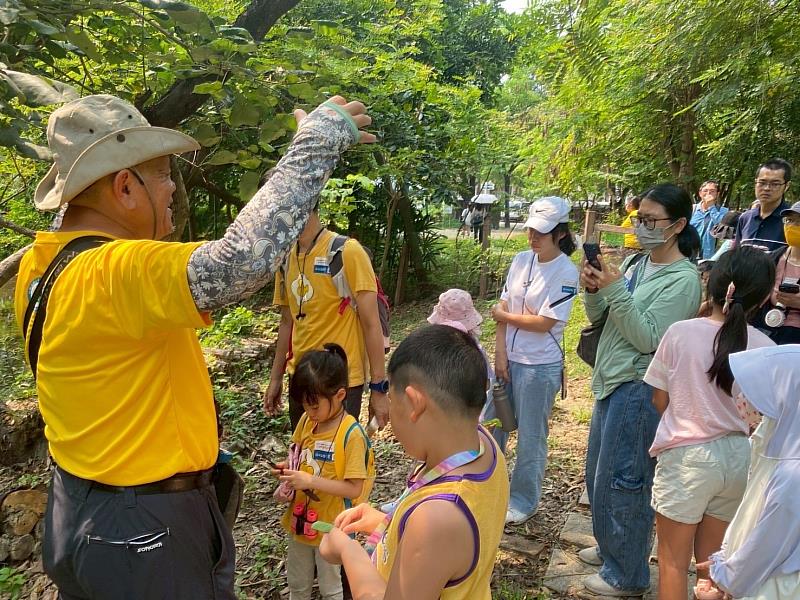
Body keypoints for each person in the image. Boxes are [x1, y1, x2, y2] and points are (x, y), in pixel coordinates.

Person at [14, 93, 374, 599]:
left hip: (76, 510)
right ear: (125, 187)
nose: (170, 190)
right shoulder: (116, 271)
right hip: (143, 533)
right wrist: (317, 142)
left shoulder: (42, 267)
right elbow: (241, 260)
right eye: (163, 175)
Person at [317, 325, 509, 599]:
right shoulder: (482, 444)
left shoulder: (437, 519)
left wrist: (348, 551)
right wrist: (388, 523)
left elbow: (435, 537)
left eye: (393, 403)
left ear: (414, 403)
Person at [579, 183, 702, 596]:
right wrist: (594, 289)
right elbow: (604, 317)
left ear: (678, 225)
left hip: (638, 384)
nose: (642, 226)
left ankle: (627, 573)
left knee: (625, 481)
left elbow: (649, 337)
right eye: (639, 218)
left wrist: (613, 290)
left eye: (651, 220)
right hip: (611, 377)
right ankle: (610, 547)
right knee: (598, 474)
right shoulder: (637, 264)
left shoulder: (683, 280)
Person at [643, 247, 776, 600]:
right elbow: (759, 416)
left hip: (687, 457)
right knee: (713, 566)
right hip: (737, 459)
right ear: (763, 297)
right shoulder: (765, 346)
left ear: (711, 283)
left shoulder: (681, 333)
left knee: (673, 563)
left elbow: (660, 400)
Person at [486, 196, 578, 524]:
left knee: (530, 435)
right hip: (508, 359)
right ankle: (482, 487)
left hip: (539, 366)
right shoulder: (521, 259)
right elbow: (504, 305)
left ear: (561, 234)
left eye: (542, 232)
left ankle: (524, 501)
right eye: (531, 230)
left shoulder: (566, 272)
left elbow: (545, 323)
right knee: (490, 425)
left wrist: (505, 316)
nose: (533, 237)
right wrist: (500, 353)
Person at [263, 204, 389, 432]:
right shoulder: (285, 260)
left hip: (340, 383)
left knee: (338, 461)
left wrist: (379, 390)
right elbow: (286, 322)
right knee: (303, 459)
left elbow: (372, 325)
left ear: (305, 200)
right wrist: (275, 378)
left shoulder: (346, 252)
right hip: (300, 378)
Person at [272, 344, 374, 600]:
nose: (309, 412)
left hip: (332, 525)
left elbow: (354, 488)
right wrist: (288, 469)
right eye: (305, 406)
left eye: (315, 406)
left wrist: (310, 479)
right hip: (300, 520)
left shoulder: (351, 435)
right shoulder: (308, 422)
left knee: (331, 587)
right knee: (297, 582)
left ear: (340, 395)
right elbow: (297, 454)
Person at [702, 345, 800, 599]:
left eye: (766, 389)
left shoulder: (793, 470)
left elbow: (769, 543)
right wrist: (723, 561)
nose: (745, 400)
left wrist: (726, 580)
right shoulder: (777, 442)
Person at [753, 201, 800, 344]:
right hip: (766, 332)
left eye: (799, 222)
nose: (792, 226)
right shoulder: (771, 259)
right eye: (789, 220)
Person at [735, 158, 792, 252]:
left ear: (786, 186)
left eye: (775, 184)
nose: (766, 188)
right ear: (755, 182)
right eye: (762, 183)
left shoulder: (792, 221)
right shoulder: (745, 218)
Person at [691, 180, 729, 260]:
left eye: (712, 191)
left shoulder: (723, 211)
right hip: (689, 255)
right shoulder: (692, 209)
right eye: (705, 190)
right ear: (700, 193)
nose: (708, 193)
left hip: (710, 257)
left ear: (717, 194)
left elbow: (722, 229)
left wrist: (711, 207)